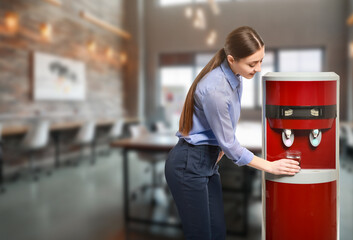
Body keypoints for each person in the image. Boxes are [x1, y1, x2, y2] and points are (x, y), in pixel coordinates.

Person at [164, 26, 301, 240]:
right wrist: (269, 166)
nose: (258, 68)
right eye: (252, 63)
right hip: (188, 165)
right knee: (200, 236)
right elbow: (230, 145)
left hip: (206, 161)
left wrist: (218, 148)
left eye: (261, 60)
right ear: (231, 59)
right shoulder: (215, 89)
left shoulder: (235, 78)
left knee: (217, 233)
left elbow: (224, 136)